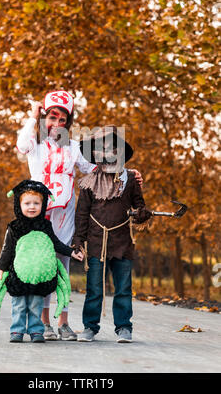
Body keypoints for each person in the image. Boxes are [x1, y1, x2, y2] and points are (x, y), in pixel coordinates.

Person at [16, 90, 143, 341]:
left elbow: (100, 168)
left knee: (62, 266)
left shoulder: (74, 147)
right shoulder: (36, 144)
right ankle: (43, 323)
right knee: (43, 266)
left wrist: (128, 172)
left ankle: (63, 322)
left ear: (69, 122)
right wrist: (32, 116)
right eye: (52, 117)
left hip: (66, 214)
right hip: (40, 215)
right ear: (44, 117)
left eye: (63, 120)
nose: (57, 124)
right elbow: (21, 145)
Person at [73, 126, 152, 343]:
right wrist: (78, 241)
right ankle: (90, 327)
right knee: (95, 288)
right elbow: (82, 214)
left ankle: (124, 327)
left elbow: (139, 207)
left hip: (122, 242)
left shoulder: (130, 179)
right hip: (96, 242)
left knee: (124, 288)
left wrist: (142, 214)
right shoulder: (88, 182)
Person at [0, 179, 83, 343]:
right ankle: (17, 330)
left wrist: (71, 253)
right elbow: (7, 249)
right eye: (27, 203)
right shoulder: (14, 227)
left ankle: (36, 330)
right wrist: (1, 268)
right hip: (19, 273)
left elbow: (55, 243)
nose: (32, 207)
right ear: (19, 205)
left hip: (39, 275)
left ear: (43, 205)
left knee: (36, 304)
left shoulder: (45, 225)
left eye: (36, 203)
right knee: (19, 304)